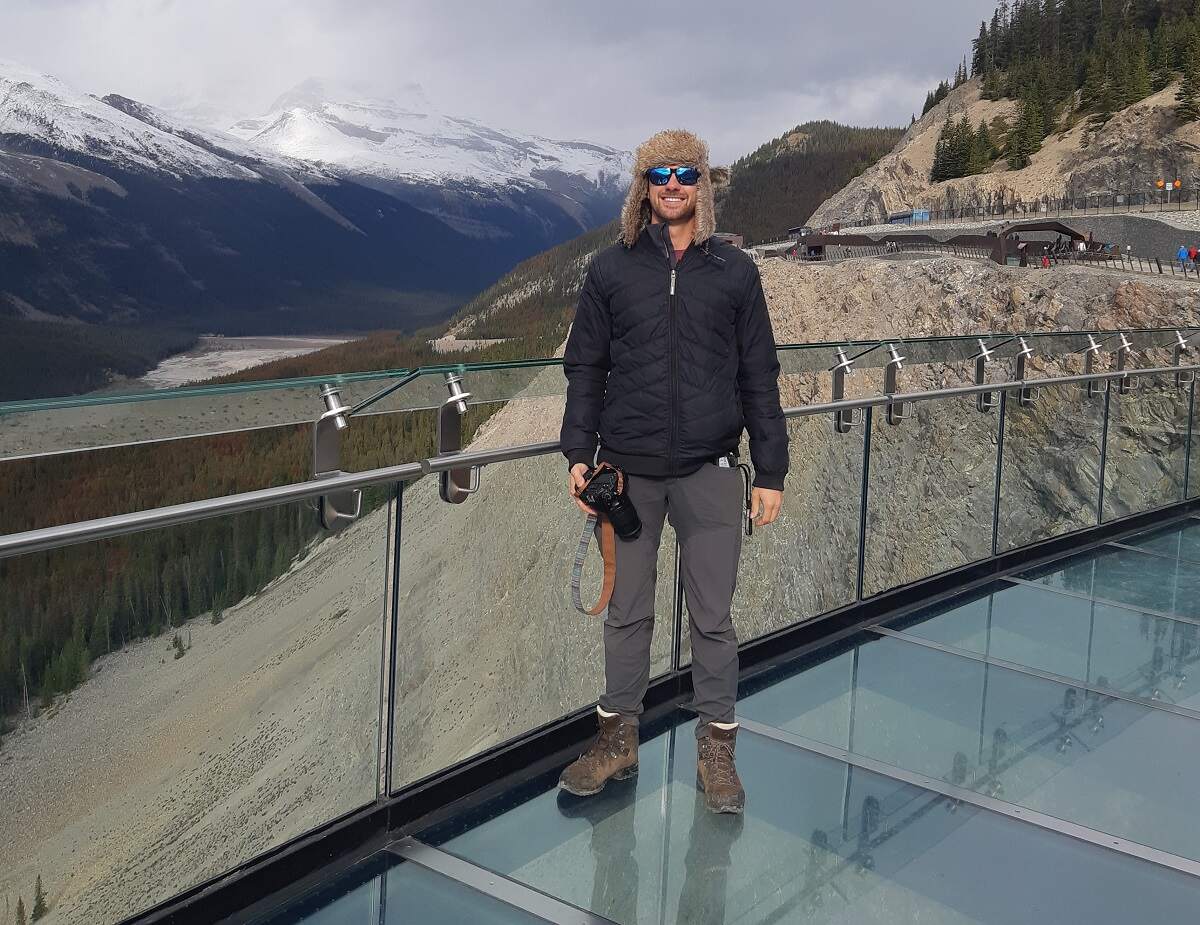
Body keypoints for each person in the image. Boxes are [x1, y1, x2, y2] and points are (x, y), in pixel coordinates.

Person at [559, 129, 788, 814]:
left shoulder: (735, 273)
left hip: (711, 472)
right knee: (627, 613)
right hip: (627, 476)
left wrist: (771, 470)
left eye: (685, 173)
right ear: (643, 186)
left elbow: (759, 376)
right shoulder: (610, 270)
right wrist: (578, 455)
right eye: (658, 173)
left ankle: (717, 752)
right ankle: (617, 741)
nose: (672, 185)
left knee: (712, 617)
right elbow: (585, 369)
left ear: (702, 184)